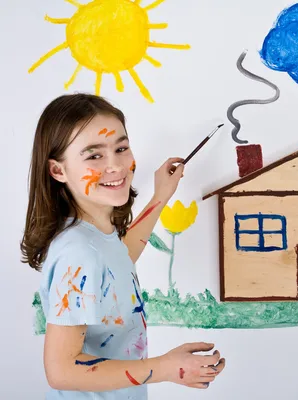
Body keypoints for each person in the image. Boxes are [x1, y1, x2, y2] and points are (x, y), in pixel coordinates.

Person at [20, 93, 225, 399]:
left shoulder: (93, 238)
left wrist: (160, 196)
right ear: (57, 170)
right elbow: (61, 371)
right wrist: (166, 368)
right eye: (94, 155)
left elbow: (121, 258)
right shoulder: (79, 254)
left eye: (121, 148)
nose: (116, 165)